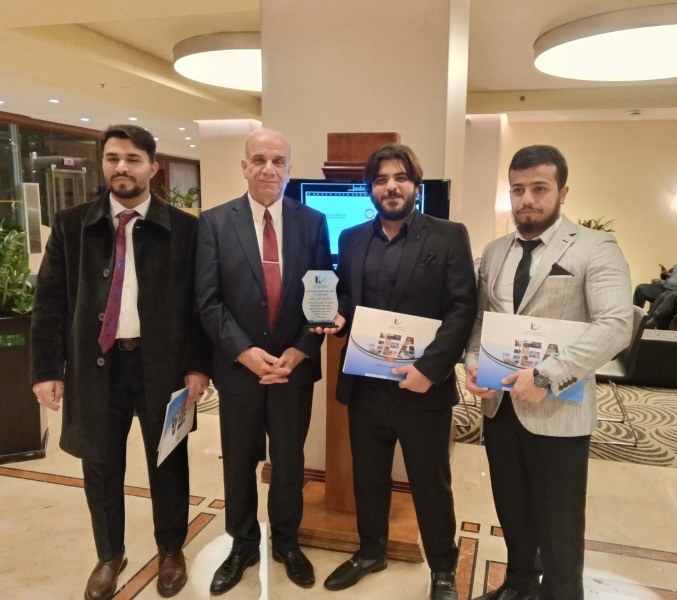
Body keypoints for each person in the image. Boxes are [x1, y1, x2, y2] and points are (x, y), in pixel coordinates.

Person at [31, 124, 212, 600]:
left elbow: (199, 306)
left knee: (168, 460)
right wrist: (46, 370)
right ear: (103, 164)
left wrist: (197, 365)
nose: (121, 167)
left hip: (162, 366)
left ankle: (171, 550)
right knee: (100, 463)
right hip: (96, 366)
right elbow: (49, 302)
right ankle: (109, 555)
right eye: (113, 158)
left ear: (153, 166)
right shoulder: (72, 225)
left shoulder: (186, 229)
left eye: (133, 159)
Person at [464, 145, 631, 600]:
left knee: (559, 519)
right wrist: (474, 361)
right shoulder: (494, 252)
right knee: (511, 506)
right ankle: (519, 584)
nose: (527, 199)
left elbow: (616, 324)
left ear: (563, 192)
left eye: (539, 188)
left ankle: (562, 593)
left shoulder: (595, 247)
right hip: (500, 407)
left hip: (559, 409)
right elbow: (481, 320)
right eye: (517, 189)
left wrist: (545, 377)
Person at [319, 144, 477, 600]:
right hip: (365, 383)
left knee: (430, 483)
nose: (391, 186)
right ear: (370, 188)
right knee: (368, 477)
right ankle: (372, 552)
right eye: (381, 179)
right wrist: (339, 314)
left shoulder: (449, 236)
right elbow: (348, 297)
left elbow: (462, 308)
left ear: (415, 185)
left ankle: (443, 569)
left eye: (401, 177)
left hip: (421, 388)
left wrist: (430, 369)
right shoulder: (352, 239)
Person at [195, 128, 333, 595]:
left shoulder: (313, 222)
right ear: (244, 166)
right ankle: (242, 544)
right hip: (239, 370)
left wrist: (300, 350)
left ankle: (287, 542)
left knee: (289, 461)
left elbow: (322, 296)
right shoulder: (214, 223)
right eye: (259, 160)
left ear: (289, 169)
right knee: (238, 461)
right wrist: (245, 353)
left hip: (294, 369)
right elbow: (207, 301)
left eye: (278, 161)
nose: (268, 169)